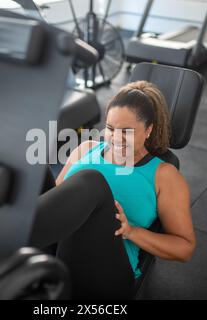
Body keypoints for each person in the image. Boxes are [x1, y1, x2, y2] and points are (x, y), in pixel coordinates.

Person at [30, 81, 196, 299]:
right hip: (56, 247)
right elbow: (57, 198)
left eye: (126, 131)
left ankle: (7, 237)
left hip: (107, 269)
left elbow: (184, 248)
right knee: (36, 166)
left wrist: (131, 231)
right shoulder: (86, 148)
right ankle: (7, 233)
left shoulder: (164, 175)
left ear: (148, 130)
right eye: (110, 129)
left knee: (92, 181)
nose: (116, 138)